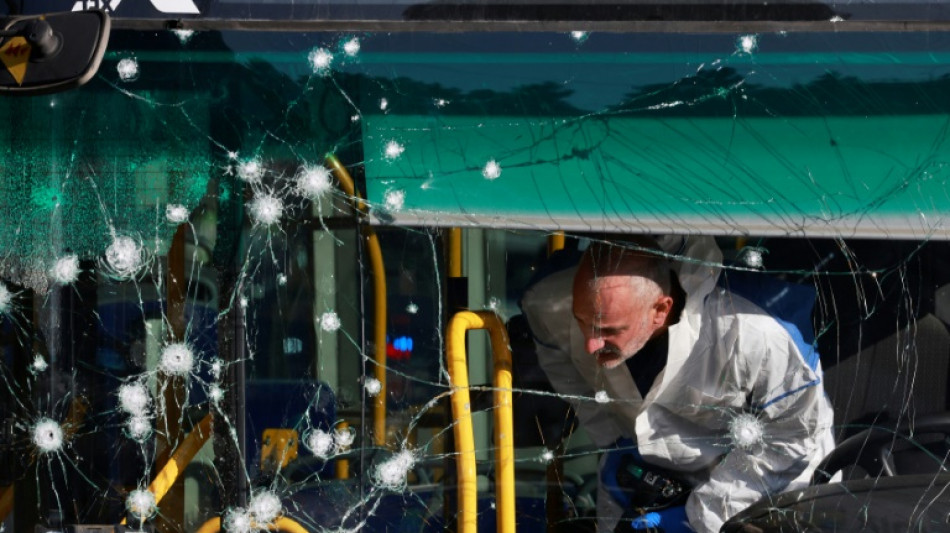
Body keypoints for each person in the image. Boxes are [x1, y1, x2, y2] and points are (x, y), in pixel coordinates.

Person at [520, 235, 835, 533]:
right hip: (641, 474)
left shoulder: (755, 330)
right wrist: (614, 440)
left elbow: (793, 436)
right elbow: (568, 372)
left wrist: (701, 513)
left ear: (661, 310)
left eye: (607, 330)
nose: (590, 344)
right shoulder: (549, 302)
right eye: (581, 321)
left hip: (765, 481)